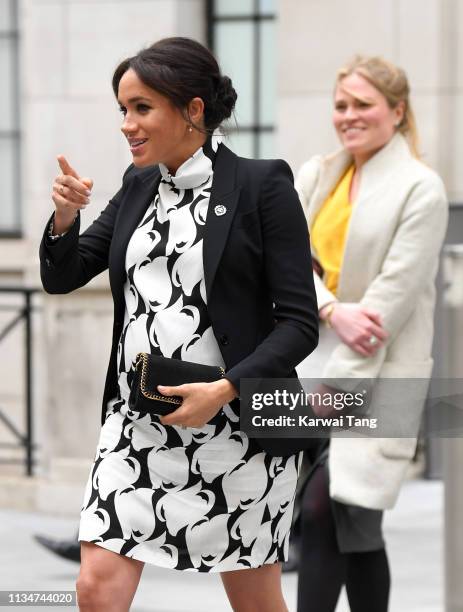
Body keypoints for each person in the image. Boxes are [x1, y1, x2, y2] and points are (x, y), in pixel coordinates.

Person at [39, 37, 318, 612]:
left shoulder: (262, 185)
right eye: (122, 109)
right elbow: (65, 274)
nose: (127, 124)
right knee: (96, 587)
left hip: (239, 432)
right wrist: (66, 217)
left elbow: (298, 324)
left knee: (256, 600)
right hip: (136, 427)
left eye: (142, 108)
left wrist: (225, 389)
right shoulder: (138, 186)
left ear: (193, 111)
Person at [294, 55, 448, 612]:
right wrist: (332, 308)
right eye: (341, 105)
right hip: (309, 366)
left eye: (363, 104)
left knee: (326, 508)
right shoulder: (319, 174)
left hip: (378, 377)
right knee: (354, 529)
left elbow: (389, 305)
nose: (349, 116)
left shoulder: (421, 189)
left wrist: (337, 395)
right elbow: (284, 266)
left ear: (397, 111)